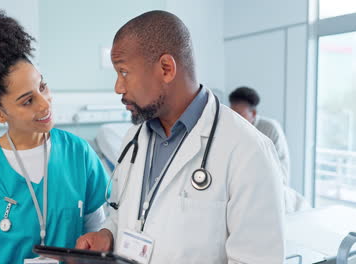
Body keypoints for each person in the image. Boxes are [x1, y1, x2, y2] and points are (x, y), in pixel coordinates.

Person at [75, 10, 285, 263]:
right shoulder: (134, 139)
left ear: (166, 68)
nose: (118, 87)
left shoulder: (248, 150)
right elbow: (125, 214)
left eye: (124, 72)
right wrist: (108, 234)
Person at [0, 7, 108, 263]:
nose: (44, 104)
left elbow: (97, 232)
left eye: (42, 86)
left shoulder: (78, 153)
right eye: (27, 101)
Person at [229, 86, 291, 184]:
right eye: (232, 114)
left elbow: (279, 171)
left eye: (239, 115)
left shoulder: (270, 128)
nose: (234, 119)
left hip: (271, 185)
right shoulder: (232, 129)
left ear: (253, 113)